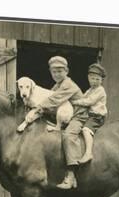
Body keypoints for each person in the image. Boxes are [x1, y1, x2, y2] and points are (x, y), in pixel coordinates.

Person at [27, 56, 87, 189]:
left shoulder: (68, 85)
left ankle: (71, 176)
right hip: (67, 116)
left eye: (60, 71)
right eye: (54, 72)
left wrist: (38, 107)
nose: (57, 74)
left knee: (68, 136)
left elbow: (54, 100)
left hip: (79, 116)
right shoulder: (56, 86)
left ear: (67, 71)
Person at [72, 63, 108, 164]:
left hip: (97, 116)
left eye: (98, 79)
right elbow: (82, 98)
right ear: (88, 78)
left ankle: (88, 153)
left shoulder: (100, 90)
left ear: (102, 80)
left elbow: (89, 102)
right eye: (93, 78)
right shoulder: (89, 90)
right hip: (90, 115)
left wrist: (75, 102)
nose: (95, 81)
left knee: (86, 130)